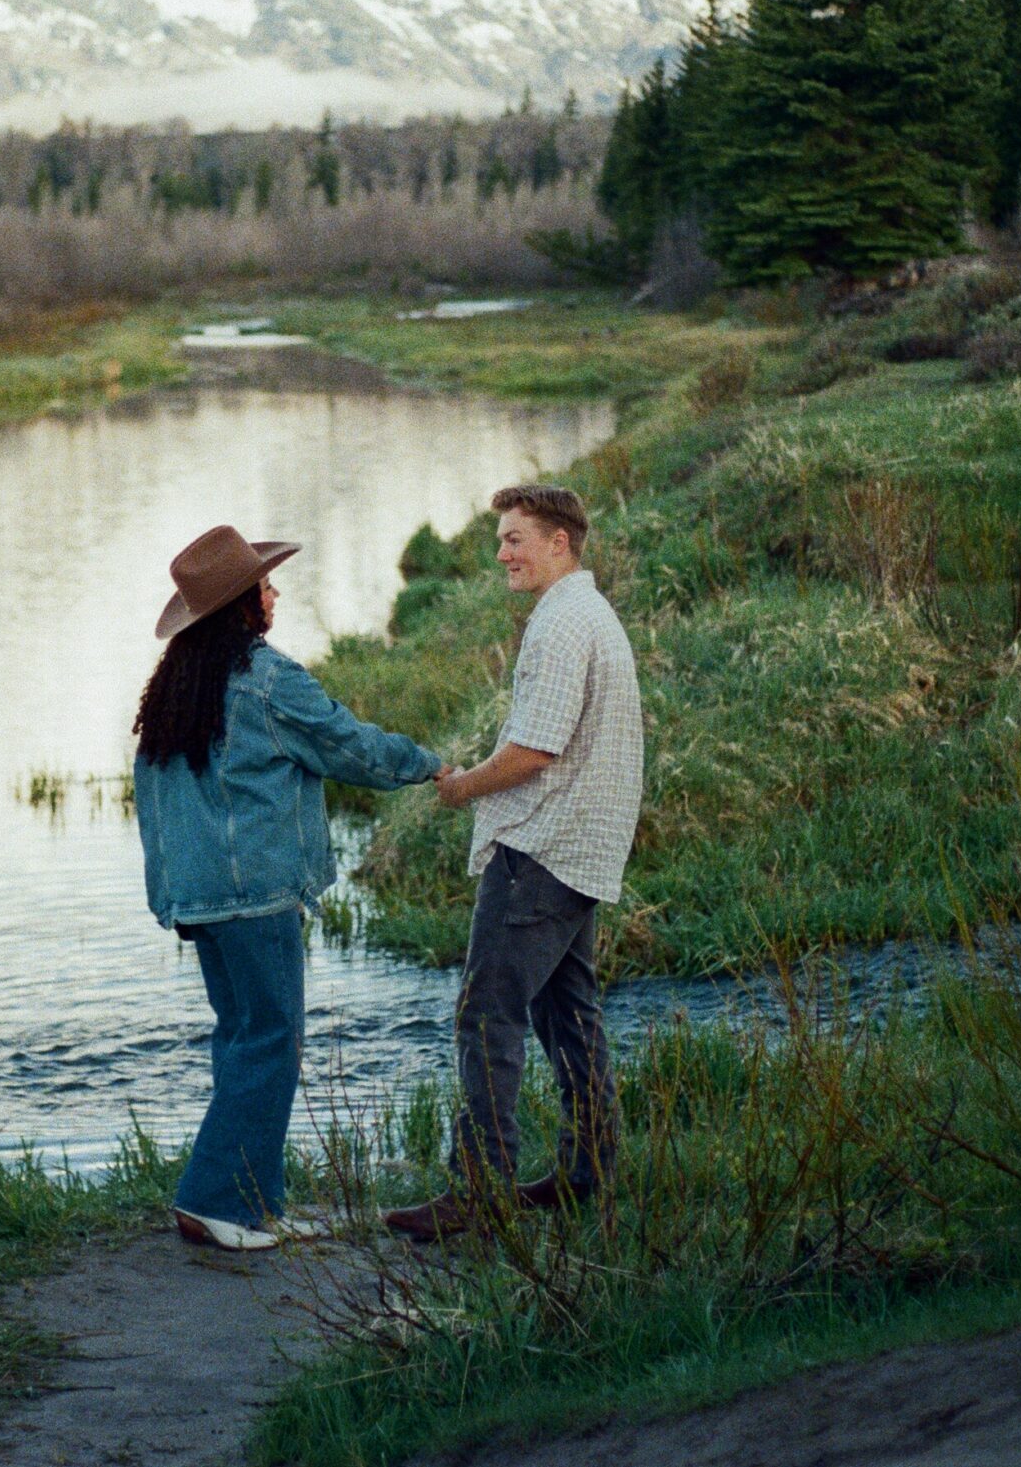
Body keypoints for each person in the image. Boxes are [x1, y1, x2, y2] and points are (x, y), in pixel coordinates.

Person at [133, 524, 444, 1252]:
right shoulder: (267, 678)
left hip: (201, 902)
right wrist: (430, 766)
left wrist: (167, 896)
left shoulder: (176, 685)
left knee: (243, 1039)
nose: (276, 593)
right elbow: (348, 744)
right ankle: (215, 1203)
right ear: (242, 605)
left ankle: (253, 1203)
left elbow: (153, 804)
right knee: (271, 1042)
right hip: (256, 897)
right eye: (265, 586)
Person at [386, 484, 642, 1243]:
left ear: (560, 541)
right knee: (566, 1012)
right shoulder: (585, 613)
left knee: (485, 1013)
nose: (501, 553)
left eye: (514, 538)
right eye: (500, 539)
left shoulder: (564, 623)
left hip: (543, 849)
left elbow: (537, 749)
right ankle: (588, 1170)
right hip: (578, 849)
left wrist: (462, 785)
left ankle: (482, 1190)